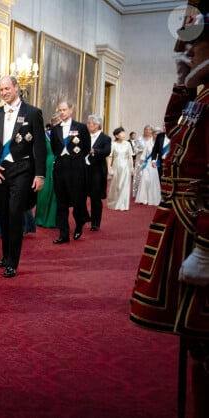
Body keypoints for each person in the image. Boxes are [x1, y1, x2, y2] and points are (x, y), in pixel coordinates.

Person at [130, 3, 209, 416]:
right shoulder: (202, 94)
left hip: (200, 230)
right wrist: (182, 86)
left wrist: (208, 246)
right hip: (183, 223)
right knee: (197, 344)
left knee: (205, 342)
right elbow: (174, 133)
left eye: (194, 48)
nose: (186, 53)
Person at [0, 75, 47, 277]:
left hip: (23, 169)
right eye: (1, 89)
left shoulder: (33, 112)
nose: (3, 93)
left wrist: (40, 175)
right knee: (2, 213)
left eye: (7, 89)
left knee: (14, 212)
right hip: (1, 169)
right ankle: (5, 255)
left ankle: (13, 262)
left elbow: (39, 147)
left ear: (17, 88)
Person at [50, 100, 91, 243]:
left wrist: (75, 158)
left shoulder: (81, 127)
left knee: (78, 201)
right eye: (60, 110)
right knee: (61, 202)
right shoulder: (55, 129)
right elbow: (54, 147)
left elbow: (86, 147)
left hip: (76, 168)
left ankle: (79, 225)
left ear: (71, 110)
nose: (62, 112)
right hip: (60, 167)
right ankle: (63, 234)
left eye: (64, 110)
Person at [85, 114, 111, 231]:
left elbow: (106, 151)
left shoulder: (106, 138)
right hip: (83, 169)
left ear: (96, 125)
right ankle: (84, 217)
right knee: (80, 196)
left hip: (97, 171)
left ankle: (95, 223)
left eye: (90, 123)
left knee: (95, 198)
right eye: (88, 123)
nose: (88, 125)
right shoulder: (84, 136)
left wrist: (94, 150)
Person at [35, 116, 59, 228]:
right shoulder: (45, 135)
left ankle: (53, 220)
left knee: (56, 193)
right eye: (57, 122)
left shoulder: (65, 135)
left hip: (59, 164)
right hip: (46, 164)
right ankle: (40, 218)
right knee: (43, 192)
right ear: (52, 122)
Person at [106, 126, 133, 211]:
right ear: (116, 136)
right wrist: (109, 167)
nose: (123, 134)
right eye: (121, 133)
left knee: (125, 185)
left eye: (124, 132)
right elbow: (110, 157)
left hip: (126, 166)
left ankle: (123, 205)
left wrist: (132, 167)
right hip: (116, 165)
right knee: (116, 185)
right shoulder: (113, 144)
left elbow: (130, 157)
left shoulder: (128, 144)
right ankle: (114, 203)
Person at [134, 124, 161, 206]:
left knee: (153, 181)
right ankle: (143, 198)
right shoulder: (148, 143)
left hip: (156, 165)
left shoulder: (162, 143)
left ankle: (152, 198)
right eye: (155, 133)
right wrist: (142, 163)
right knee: (145, 180)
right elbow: (144, 154)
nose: (156, 135)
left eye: (158, 133)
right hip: (147, 164)